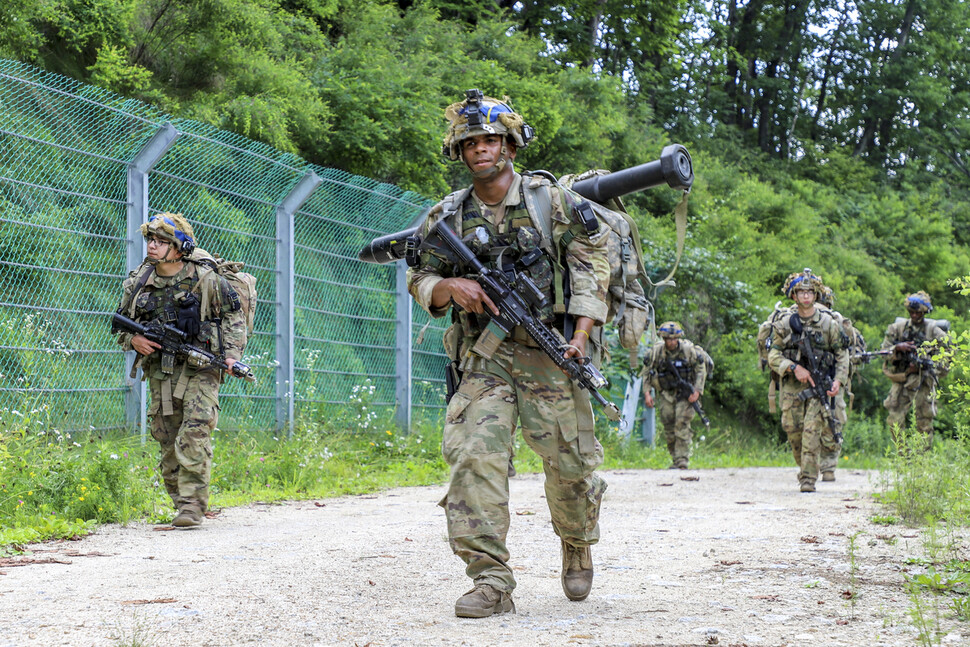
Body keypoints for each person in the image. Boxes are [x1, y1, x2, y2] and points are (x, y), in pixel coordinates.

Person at [406, 90, 611, 617]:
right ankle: (491, 579)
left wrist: (582, 334)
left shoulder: (552, 201)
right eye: (471, 142)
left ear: (511, 146)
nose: (481, 150)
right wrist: (451, 289)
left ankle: (576, 540)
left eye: (491, 140)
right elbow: (419, 274)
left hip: (552, 350)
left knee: (570, 467)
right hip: (485, 356)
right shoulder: (447, 215)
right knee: (473, 457)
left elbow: (591, 265)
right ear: (459, 150)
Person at [114, 213, 247, 527]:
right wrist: (133, 339)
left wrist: (230, 356)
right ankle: (180, 502)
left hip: (202, 367)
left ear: (179, 247)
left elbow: (233, 319)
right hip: (162, 369)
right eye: (151, 239)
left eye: (162, 241)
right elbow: (119, 323)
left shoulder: (206, 279)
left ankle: (191, 507)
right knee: (167, 438)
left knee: (193, 433)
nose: (153, 245)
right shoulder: (138, 281)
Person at [767, 269, 849, 493]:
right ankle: (805, 467)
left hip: (818, 385)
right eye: (801, 292)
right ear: (793, 295)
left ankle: (808, 479)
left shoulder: (828, 324)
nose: (805, 296)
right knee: (793, 431)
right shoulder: (784, 324)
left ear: (816, 295)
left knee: (812, 432)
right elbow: (773, 355)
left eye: (810, 292)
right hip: (793, 386)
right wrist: (793, 367)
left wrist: (838, 381)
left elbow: (842, 354)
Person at [880, 291, 950, 451]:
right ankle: (903, 456)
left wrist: (930, 363)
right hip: (902, 378)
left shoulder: (933, 330)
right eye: (911, 312)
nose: (914, 315)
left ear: (925, 312)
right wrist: (897, 348)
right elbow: (884, 351)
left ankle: (922, 459)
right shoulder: (897, 328)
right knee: (894, 418)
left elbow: (949, 353)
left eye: (918, 312)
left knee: (924, 420)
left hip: (923, 379)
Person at [641, 321, 710, 469]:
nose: (671, 342)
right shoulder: (656, 352)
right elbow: (646, 372)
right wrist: (647, 393)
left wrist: (697, 391)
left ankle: (682, 460)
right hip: (666, 392)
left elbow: (700, 369)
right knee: (669, 425)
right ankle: (675, 459)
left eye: (673, 339)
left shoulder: (688, 351)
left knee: (682, 424)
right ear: (663, 339)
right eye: (668, 339)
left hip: (685, 393)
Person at [815, 286, 866, 481]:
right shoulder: (799, 320)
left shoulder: (838, 322)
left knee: (833, 419)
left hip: (833, 376)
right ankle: (813, 465)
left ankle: (827, 467)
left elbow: (856, 349)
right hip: (808, 376)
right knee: (820, 421)